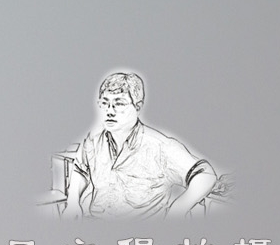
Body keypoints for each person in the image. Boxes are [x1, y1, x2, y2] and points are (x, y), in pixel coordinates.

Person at [59, 72, 219, 219]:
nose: (109, 111)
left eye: (119, 104)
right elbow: (80, 170)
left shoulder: (160, 147)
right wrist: (73, 202)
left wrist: (177, 211)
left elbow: (206, 175)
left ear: (138, 106)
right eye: (105, 103)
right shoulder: (93, 141)